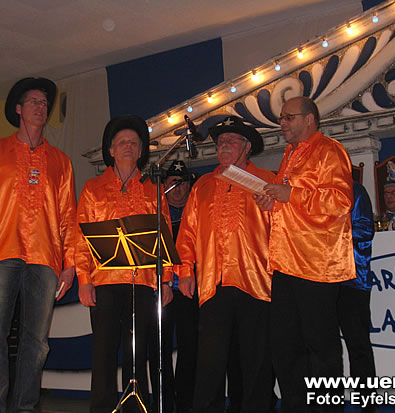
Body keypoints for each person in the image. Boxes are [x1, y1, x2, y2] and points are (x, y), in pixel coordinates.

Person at [0, 77, 77, 412]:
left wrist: (70, 263)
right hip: (0, 253)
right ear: (18, 109)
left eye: (44, 103)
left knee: (37, 342)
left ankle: (25, 407)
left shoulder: (61, 161)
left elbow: (68, 216)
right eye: (34, 102)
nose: (41, 107)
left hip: (45, 258)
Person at [255, 96, 355, 413]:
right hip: (284, 263)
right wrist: (273, 201)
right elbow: (290, 204)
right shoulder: (290, 154)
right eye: (281, 118)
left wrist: (291, 194)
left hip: (316, 265)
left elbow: (340, 201)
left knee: (321, 348)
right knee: (285, 347)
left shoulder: (329, 150)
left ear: (309, 119)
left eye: (289, 117)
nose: (282, 123)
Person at [176, 115, 275, 413]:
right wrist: (185, 271)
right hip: (213, 283)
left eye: (231, 140)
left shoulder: (268, 181)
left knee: (257, 361)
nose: (224, 145)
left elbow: (284, 230)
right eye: (220, 141)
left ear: (247, 147)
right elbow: (187, 233)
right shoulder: (203, 185)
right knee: (210, 360)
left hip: (256, 282)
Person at [75, 114, 173, 413]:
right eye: (122, 142)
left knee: (137, 350)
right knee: (104, 351)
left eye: (134, 142)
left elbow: (165, 236)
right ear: (111, 150)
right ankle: (101, 407)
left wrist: (166, 280)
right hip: (104, 282)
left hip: (142, 282)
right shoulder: (93, 188)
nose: (128, 146)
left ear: (141, 150)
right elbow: (80, 237)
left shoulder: (153, 188)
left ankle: (136, 406)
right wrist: (84, 279)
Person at [148, 160, 199, 413]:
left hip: (189, 291)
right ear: (164, 185)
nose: (178, 189)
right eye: (172, 183)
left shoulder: (196, 212)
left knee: (191, 348)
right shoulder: (157, 214)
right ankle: (163, 403)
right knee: (159, 350)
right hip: (161, 291)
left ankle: (186, 403)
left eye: (183, 183)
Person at [338, 182, 376, 413]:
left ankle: (367, 403)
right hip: (318, 282)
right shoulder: (310, 189)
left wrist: (330, 231)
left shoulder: (354, 190)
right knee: (324, 349)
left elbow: (366, 229)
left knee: (358, 345)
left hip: (352, 279)